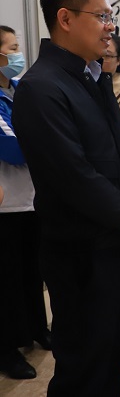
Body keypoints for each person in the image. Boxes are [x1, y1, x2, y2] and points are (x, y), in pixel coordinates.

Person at [12, 0, 120, 396]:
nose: (110, 26)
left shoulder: (92, 77)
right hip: (81, 252)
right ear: (65, 18)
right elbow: (72, 175)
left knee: (113, 356)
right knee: (84, 366)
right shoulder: (41, 88)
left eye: (111, 16)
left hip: (117, 241)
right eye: (102, 16)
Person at [0, 25, 51, 381]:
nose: (18, 54)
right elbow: (13, 148)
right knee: (8, 280)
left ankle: (38, 329)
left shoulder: (20, 89)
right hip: (5, 205)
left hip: (32, 199)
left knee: (35, 272)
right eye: (12, 48)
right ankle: (7, 348)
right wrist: (46, 142)